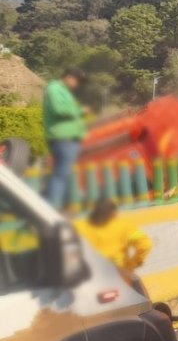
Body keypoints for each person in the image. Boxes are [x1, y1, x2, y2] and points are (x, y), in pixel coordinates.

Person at [73, 198, 152, 292]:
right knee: (140, 299)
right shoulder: (124, 226)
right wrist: (132, 264)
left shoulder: (79, 226)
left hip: (90, 279)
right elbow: (145, 245)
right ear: (113, 214)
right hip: (120, 276)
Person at [43, 68, 87, 210]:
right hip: (63, 137)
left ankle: (61, 205)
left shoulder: (63, 91)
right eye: (76, 81)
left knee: (64, 173)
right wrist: (80, 111)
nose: (77, 84)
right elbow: (59, 110)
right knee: (60, 175)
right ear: (68, 77)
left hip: (68, 138)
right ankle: (52, 208)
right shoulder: (54, 88)